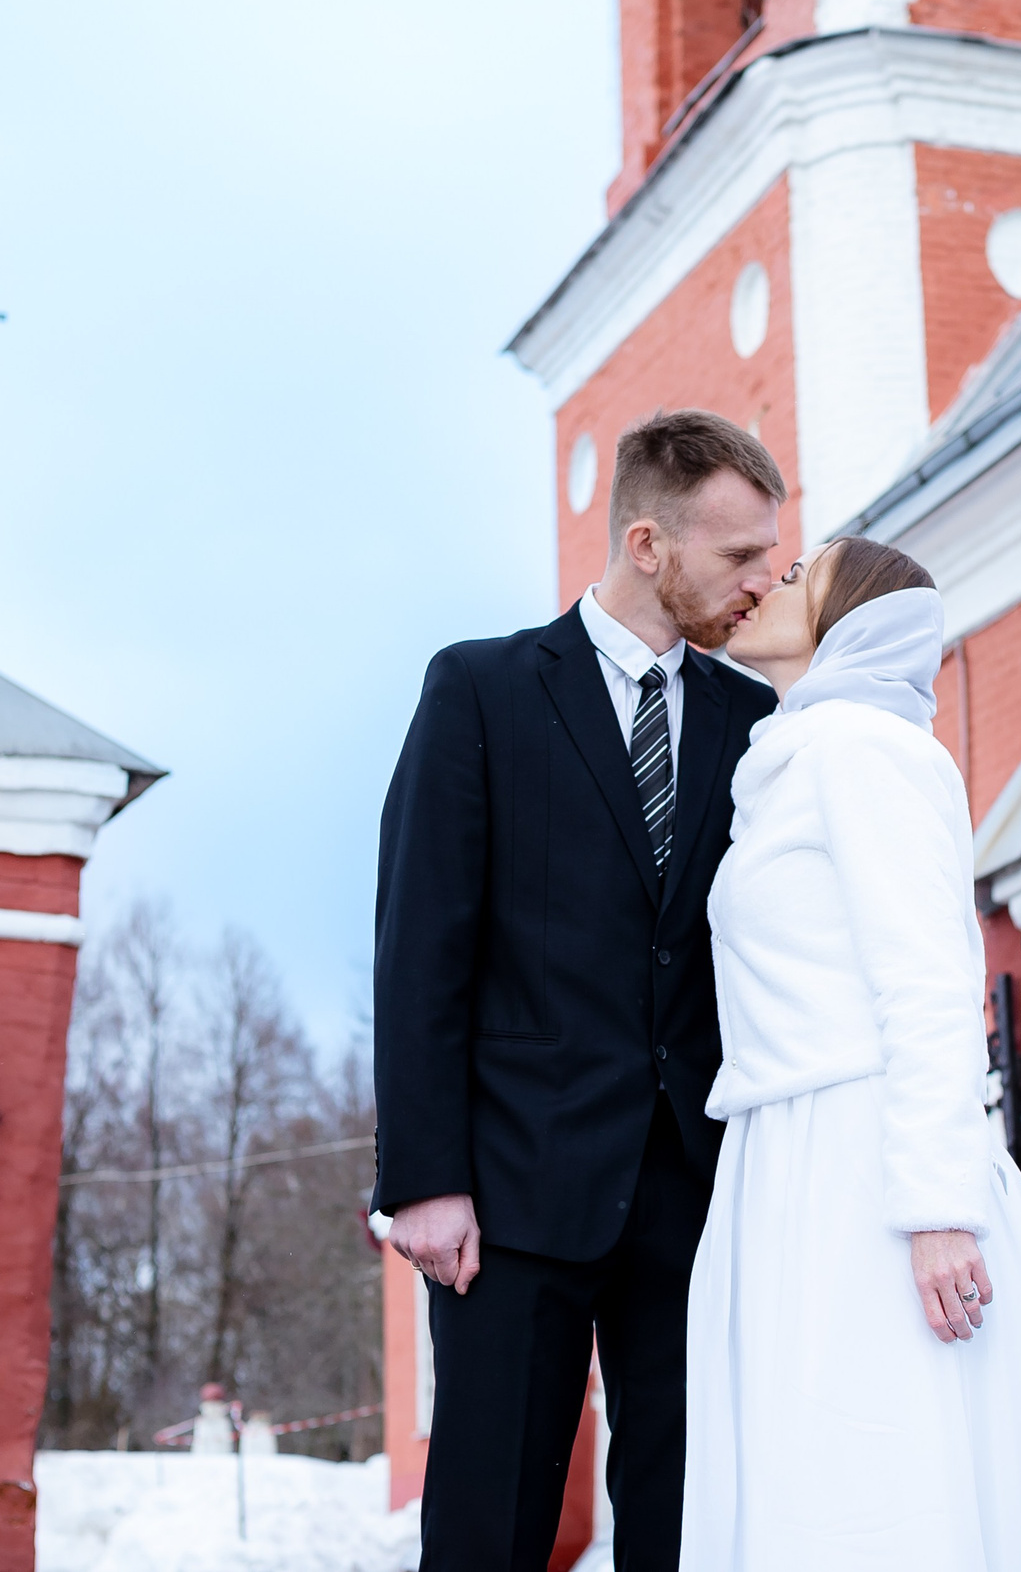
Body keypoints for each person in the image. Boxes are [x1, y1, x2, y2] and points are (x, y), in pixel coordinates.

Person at [373, 409, 786, 1571]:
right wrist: (423, 1181)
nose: (766, 579)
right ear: (647, 545)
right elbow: (419, 948)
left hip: (694, 1197)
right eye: (739, 554)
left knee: (689, 1518)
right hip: (509, 1196)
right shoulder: (482, 691)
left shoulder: (754, 724)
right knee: (491, 1521)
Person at [684, 537, 1021, 1571]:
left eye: (797, 577)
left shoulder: (865, 749)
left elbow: (931, 980)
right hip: (782, 1158)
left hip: (865, 1163)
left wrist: (936, 1208)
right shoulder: (791, 763)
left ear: (851, 618)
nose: (765, 584)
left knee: (878, 1464)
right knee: (810, 1467)